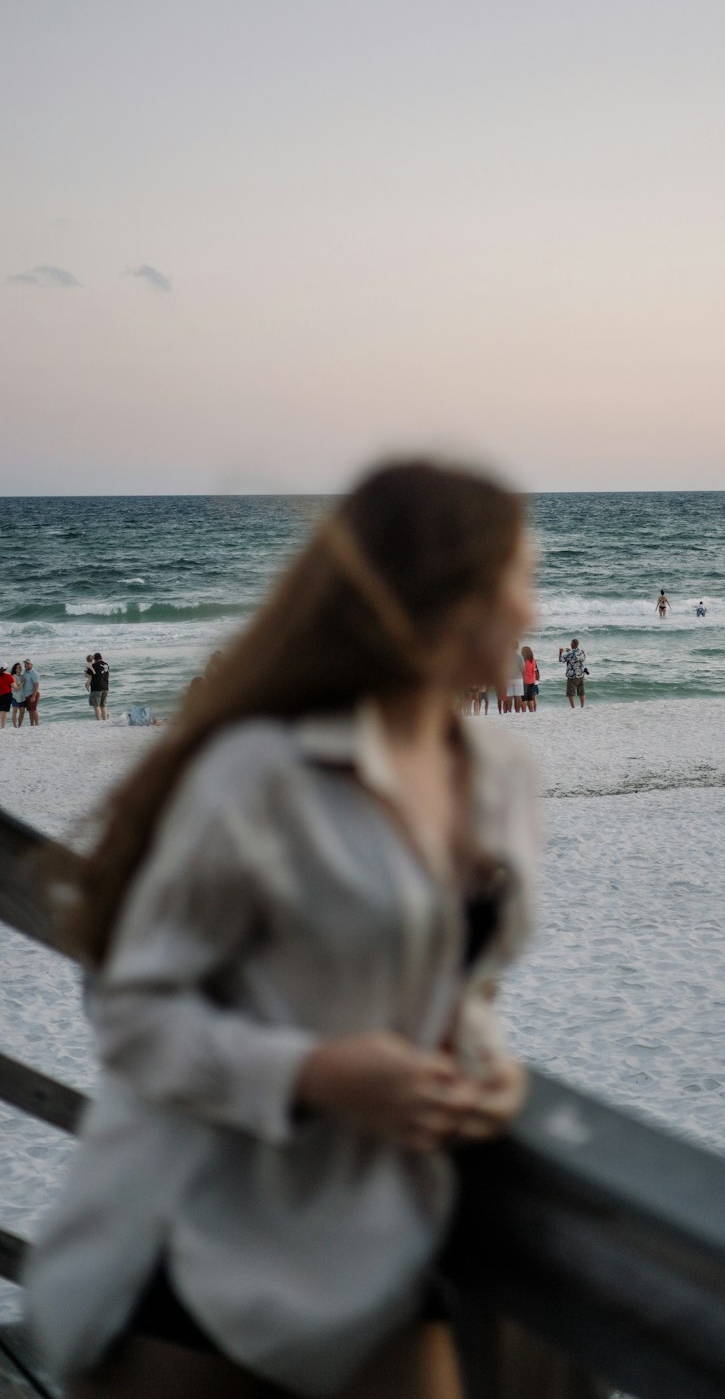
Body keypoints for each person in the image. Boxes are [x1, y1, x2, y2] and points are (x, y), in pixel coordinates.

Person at [26, 459, 537, 1399]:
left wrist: (487, 1067)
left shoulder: (496, 777)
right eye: (520, 581)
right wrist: (316, 1072)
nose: (533, 613)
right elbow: (133, 1016)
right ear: (446, 597)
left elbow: (451, 975)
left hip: (387, 1228)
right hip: (209, 1237)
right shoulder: (262, 775)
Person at [559, 638, 587, 708]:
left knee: (570, 693)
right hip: (581, 675)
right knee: (581, 692)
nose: (570, 644)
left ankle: (573, 707)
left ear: (573, 644)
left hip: (572, 676)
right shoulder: (581, 651)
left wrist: (560, 652)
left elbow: (561, 660)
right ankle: (582, 706)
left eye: (571, 643)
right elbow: (583, 658)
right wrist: (568, 650)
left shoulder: (571, 653)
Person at [503, 642, 524, 714]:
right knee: (518, 696)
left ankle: (509, 711)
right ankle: (517, 712)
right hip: (518, 678)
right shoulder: (520, 657)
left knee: (509, 696)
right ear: (517, 647)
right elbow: (523, 669)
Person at [89, 652, 110, 721]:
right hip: (106, 687)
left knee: (96, 705)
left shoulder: (94, 665)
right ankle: (105, 720)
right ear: (101, 658)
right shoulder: (106, 665)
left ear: (95, 659)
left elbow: (87, 674)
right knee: (103, 706)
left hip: (96, 688)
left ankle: (99, 721)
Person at [20, 658, 40, 727]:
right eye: (25, 664)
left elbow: (37, 686)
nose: (26, 665)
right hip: (27, 695)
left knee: (33, 710)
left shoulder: (34, 673)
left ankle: (37, 725)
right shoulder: (25, 671)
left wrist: (33, 696)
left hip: (33, 694)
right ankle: (32, 724)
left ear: (31, 665)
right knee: (30, 710)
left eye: (28, 664)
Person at [520, 646, 539, 711]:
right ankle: (531, 711)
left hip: (524, 680)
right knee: (530, 698)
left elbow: (522, 670)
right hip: (532, 680)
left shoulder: (524, 661)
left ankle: (524, 711)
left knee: (524, 698)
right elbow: (535, 670)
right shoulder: (533, 660)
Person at [9, 662, 25, 727]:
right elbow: (16, 688)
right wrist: (23, 682)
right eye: (19, 667)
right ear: (15, 669)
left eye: (21, 667)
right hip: (15, 697)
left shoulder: (22, 676)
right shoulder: (13, 676)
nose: (20, 668)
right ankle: (15, 726)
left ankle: (19, 726)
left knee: (22, 712)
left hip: (22, 697)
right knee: (15, 711)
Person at [0, 664, 14, 730]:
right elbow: (15, 687)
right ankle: (2, 727)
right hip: (6, 695)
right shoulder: (8, 676)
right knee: (4, 711)